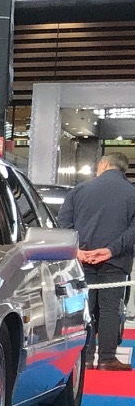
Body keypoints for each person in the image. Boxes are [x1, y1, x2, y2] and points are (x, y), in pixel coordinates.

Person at [57, 152, 135, 371]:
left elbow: (64, 223)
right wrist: (111, 250)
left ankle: (86, 357)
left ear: (104, 164)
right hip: (116, 260)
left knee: (85, 308)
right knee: (110, 309)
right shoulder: (132, 193)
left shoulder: (79, 190)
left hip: (82, 260)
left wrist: (78, 251)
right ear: (123, 169)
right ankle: (107, 358)